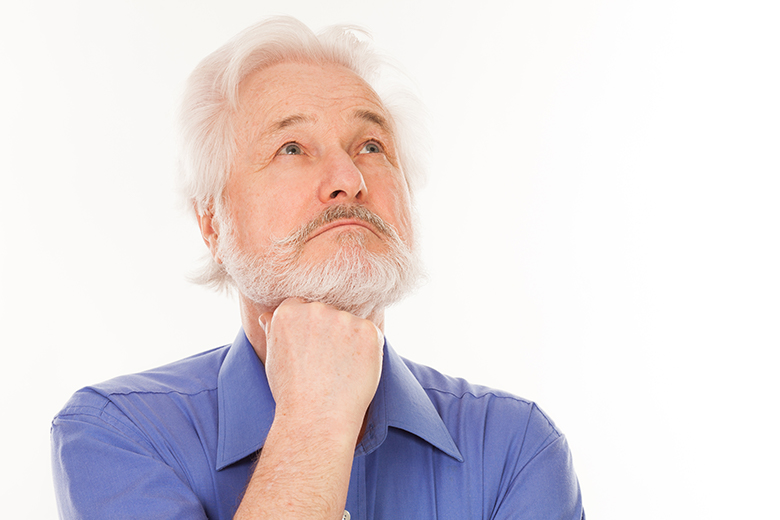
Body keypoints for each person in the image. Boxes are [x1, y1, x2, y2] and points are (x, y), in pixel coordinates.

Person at [51, 16, 584, 520]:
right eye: (291, 148)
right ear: (213, 223)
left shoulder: (519, 448)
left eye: (371, 146)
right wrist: (313, 422)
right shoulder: (116, 433)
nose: (348, 178)